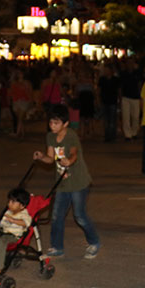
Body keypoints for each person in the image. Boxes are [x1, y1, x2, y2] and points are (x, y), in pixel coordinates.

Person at [32, 103, 100, 259]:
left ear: (65, 124)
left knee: (79, 215)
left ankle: (94, 242)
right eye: (51, 122)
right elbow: (50, 158)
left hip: (78, 182)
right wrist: (42, 157)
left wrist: (69, 160)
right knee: (57, 215)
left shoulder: (71, 136)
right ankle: (57, 247)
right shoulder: (50, 136)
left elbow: (74, 153)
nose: (52, 126)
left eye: (56, 123)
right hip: (62, 183)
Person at [0, 188, 33, 276]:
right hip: (2, 232)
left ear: (22, 206)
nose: (9, 204)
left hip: (13, 235)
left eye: (13, 202)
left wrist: (13, 220)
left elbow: (26, 223)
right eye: (9, 201)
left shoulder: (24, 214)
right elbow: (2, 224)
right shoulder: (8, 212)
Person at [97, 63, 121, 142]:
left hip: (113, 101)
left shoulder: (116, 79)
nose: (106, 71)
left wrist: (119, 100)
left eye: (107, 70)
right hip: (104, 101)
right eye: (105, 70)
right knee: (106, 120)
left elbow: (119, 90)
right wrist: (98, 99)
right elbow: (99, 90)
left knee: (112, 120)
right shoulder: (102, 79)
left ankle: (112, 135)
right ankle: (107, 135)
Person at [120, 60, 142, 141]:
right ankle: (127, 134)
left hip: (135, 97)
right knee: (126, 116)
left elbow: (139, 84)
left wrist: (140, 95)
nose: (130, 65)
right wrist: (120, 97)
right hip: (126, 97)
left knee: (135, 116)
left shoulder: (137, 73)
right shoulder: (123, 73)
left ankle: (134, 132)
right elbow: (121, 86)